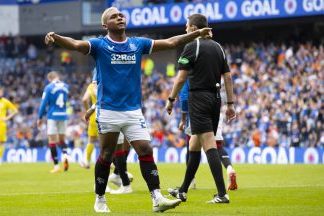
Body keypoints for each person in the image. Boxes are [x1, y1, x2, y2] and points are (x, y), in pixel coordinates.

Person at [44, 7, 212, 213]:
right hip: (108, 111)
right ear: (105, 25)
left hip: (133, 111)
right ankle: (100, 199)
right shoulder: (99, 45)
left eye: (121, 15)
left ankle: (157, 198)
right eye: (114, 16)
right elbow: (77, 45)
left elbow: (171, 43)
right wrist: (56, 37)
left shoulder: (137, 43)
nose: (120, 17)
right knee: (106, 154)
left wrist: (196, 33)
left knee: (146, 149)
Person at [165, 14, 236, 204]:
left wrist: (171, 99)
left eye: (187, 27)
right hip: (216, 98)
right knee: (194, 143)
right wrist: (230, 104)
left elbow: (181, 79)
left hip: (199, 98)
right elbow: (228, 78)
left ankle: (222, 194)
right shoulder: (219, 48)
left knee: (209, 144)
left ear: (194, 28)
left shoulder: (191, 46)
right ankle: (182, 190)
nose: (185, 30)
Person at [170, 80, 237, 193]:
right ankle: (229, 168)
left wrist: (182, 118)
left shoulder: (192, 69)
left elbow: (184, 95)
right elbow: (227, 79)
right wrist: (230, 104)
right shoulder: (214, 64)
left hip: (197, 111)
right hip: (215, 108)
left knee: (192, 147)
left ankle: (191, 184)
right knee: (217, 146)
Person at [82, 72, 134, 194]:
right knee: (111, 151)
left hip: (113, 114)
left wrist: (91, 109)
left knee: (111, 151)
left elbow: (102, 96)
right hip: (114, 114)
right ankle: (118, 179)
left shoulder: (108, 76)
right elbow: (103, 95)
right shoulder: (114, 74)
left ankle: (118, 177)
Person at [37, 71, 70, 173]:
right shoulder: (66, 86)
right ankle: (65, 155)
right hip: (63, 115)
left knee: (52, 141)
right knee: (61, 139)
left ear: (49, 79)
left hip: (52, 115)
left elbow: (44, 103)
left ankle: (56, 166)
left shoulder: (48, 87)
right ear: (58, 77)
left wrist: (40, 117)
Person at [0, 85, 18, 166]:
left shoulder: (5, 101)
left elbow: (15, 111)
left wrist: (7, 118)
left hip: (1, 125)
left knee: (1, 142)